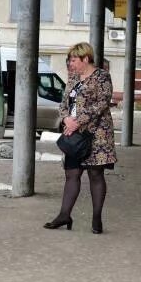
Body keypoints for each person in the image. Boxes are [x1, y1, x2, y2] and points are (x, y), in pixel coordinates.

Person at [43, 42, 117, 234]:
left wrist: (79, 121)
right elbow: (64, 102)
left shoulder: (102, 76)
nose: (70, 63)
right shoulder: (73, 77)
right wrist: (66, 119)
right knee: (72, 174)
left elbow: (102, 103)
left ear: (85, 59)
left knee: (95, 174)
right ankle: (64, 215)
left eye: (73, 60)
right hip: (74, 133)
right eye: (69, 60)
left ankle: (96, 218)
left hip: (96, 134)